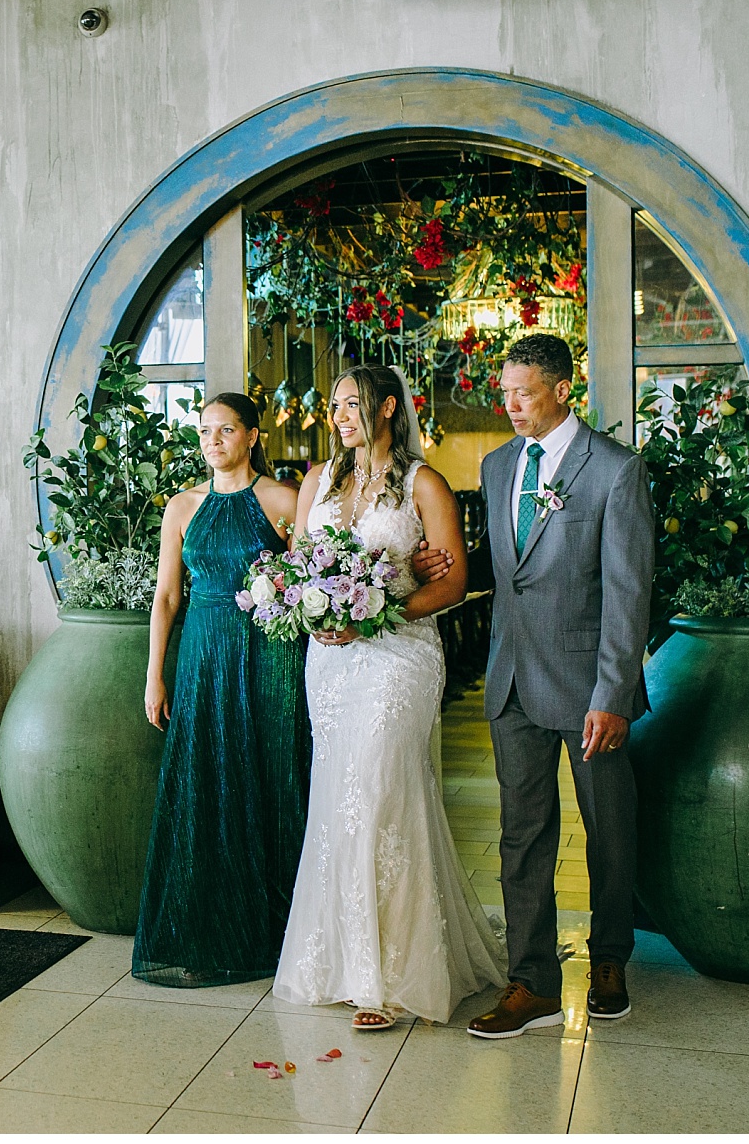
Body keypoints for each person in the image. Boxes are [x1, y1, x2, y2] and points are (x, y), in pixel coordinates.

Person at [273, 364, 507, 1030]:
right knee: (338, 794)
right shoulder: (317, 481)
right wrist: (306, 607)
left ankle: (393, 977)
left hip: (398, 656)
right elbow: (297, 567)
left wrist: (383, 608)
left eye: (352, 403)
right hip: (330, 661)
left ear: (385, 409)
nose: (339, 414)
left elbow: (457, 580)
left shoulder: (422, 484)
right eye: (333, 404)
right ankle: (343, 962)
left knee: (380, 792)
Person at [467, 334, 652, 1038]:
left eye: (526, 393)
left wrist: (612, 693)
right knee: (522, 836)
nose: (511, 405)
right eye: (505, 391)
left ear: (562, 390)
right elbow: (507, 573)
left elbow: (627, 593)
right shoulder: (495, 465)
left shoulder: (614, 470)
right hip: (512, 679)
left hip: (587, 689)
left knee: (608, 832)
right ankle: (533, 982)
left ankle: (609, 961)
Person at [134, 392, 310, 986]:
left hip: (269, 653)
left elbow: (311, 578)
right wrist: (155, 673)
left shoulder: (282, 499)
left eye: (226, 430)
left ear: (253, 436)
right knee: (207, 777)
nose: (213, 441)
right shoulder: (182, 507)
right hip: (204, 653)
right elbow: (166, 596)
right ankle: (212, 922)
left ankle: (278, 930)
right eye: (205, 431)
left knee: (270, 774)